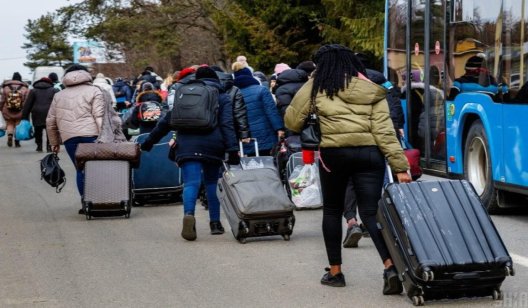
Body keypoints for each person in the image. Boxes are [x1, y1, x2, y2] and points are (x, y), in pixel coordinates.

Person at [284, 44, 411, 293]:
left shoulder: (317, 87)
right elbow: (384, 131)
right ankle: (390, 267)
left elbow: (292, 120)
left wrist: (311, 83)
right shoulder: (370, 89)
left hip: (334, 155)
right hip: (370, 155)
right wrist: (400, 166)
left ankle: (335, 272)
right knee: (371, 213)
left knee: (332, 210)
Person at [140, 66, 238, 241]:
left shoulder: (183, 94)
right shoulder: (221, 95)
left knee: (191, 183)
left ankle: (189, 215)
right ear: (216, 79)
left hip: (186, 144)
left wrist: (148, 142)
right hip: (213, 144)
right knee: (211, 183)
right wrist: (233, 149)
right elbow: (227, 124)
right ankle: (215, 223)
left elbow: (166, 122)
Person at [342, 53, 406, 248]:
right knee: (376, 178)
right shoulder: (381, 80)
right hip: (380, 134)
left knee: (350, 181)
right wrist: (397, 125)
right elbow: (393, 103)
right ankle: (376, 220)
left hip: (351, 138)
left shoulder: (346, 82)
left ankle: (352, 220)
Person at [46, 64, 105, 213]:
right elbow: (99, 116)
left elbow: (50, 121)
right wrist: (104, 137)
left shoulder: (59, 95)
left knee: (81, 169)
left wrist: (54, 143)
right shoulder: (94, 91)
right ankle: (99, 201)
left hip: (69, 138)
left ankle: (85, 203)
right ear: (85, 75)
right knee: (96, 168)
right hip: (91, 135)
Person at [233, 61, 285, 156]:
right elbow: (271, 111)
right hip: (266, 134)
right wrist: (279, 128)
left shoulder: (234, 93)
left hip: (246, 138)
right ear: (250, 76)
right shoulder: (262, 90)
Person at [21, 77, 56, 152]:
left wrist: (24, 116)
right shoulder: (54, 90)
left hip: (36, 113)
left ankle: (39, 146)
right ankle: (49, 147)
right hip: (50, 112)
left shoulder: (33, 91)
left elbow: (28, 104)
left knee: (37, 130)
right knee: (49, 130)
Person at [0, 72, 29, 148]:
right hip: (20, 110)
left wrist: (0, 108)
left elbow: (2, 100)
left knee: (9, 124)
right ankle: (17, 141)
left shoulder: (6, 88)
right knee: (17, 125)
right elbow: (27, 101)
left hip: (8, 110)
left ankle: (10, 135)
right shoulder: (24, 88)